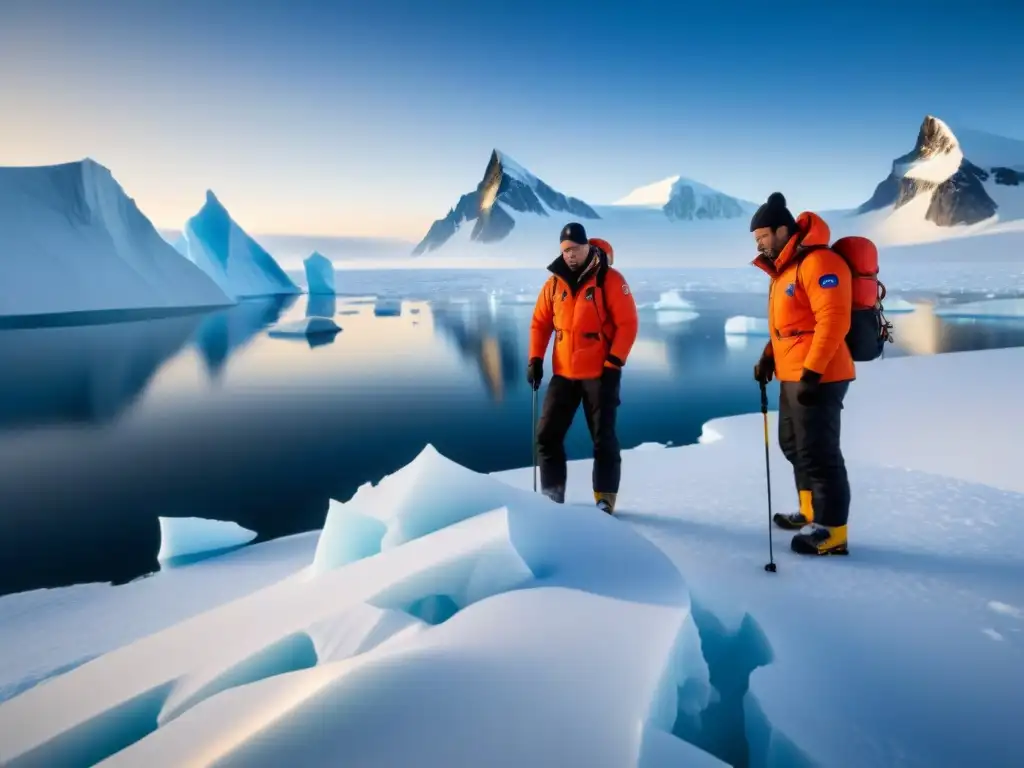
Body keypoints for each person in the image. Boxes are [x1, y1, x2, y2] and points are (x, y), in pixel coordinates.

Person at [750, 192, 854, 556]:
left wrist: (812, 372)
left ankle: (832, 530)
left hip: (820, 374)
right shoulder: (783, 270)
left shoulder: (820, 261)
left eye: (762, 236)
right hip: (794, 373)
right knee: (794, 446)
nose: (759, 244)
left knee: (821, 453)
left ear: (782, 230)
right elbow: (789, 326)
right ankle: (810, 512)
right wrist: (768, 356)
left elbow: (834, 320)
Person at [527, 222, 638, 514]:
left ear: (587, 246)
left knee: (603, 439)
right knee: (547, 436)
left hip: (600, 374)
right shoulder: (553, 284)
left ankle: (605, 499)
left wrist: (614, 362)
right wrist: (535, 358)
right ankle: (552, 498)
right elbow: (540, 323)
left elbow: (628, 324)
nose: (570, 255)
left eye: (574, 249)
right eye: (565, 250)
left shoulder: (610, 280)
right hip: (563, 374)